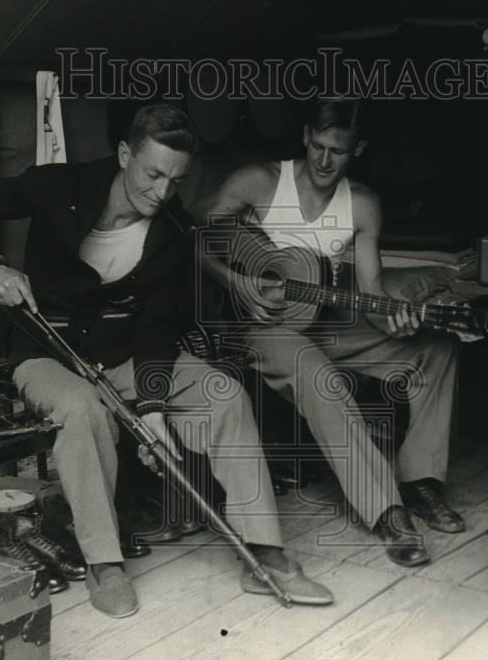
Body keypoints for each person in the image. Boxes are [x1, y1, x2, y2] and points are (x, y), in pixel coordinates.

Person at [0, 103, 332, 617]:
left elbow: (156, 327)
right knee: (83, 409)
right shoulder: (59, 186)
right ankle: (104, 563)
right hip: (46, 355)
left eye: (176, 180)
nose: (161, 191)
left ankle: (266, 551)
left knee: (225, 394)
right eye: (152, 173)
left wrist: (151, 405)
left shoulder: (173, 230)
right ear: (126, 154)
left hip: (127, 355)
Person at [190, 98, 465, 567]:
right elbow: (194, 238)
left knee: (438, 348)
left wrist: (396, 316)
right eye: (316, 146)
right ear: (303, 137)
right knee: (318, 373)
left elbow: (372, 291)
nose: (323, 160)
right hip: (259, 324)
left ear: (357, 148)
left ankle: (420, 481)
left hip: (325, 319)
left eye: (336, 151)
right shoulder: (258, 182)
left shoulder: (362, 205)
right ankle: (388, 512)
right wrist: (234, 279)